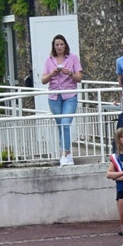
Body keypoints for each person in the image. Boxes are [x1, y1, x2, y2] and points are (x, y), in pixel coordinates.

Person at [41, 34, 82, 165]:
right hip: (54, 97)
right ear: (54, 47)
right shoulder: (49, 59)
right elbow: (43, 80)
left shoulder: (73, 58)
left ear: (65, 46)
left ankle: (64, 154)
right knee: (61, 126)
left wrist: (69, 73)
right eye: (57, 45)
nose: (59, 47)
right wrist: (51, 74)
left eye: (61, 44)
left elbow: (79, 78)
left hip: (70, 95)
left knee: (65, 123)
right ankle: (66, 154)